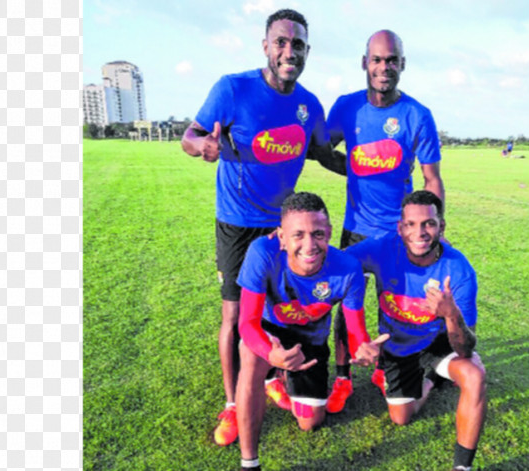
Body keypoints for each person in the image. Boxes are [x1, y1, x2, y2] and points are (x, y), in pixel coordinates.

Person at [180, 9, 332, 446]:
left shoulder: (309, 105)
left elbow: (324, 153)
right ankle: (232, 403)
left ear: (306, 52)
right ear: (265, 46)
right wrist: (201, 145)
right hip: (238, 223)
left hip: (283, 227)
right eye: (281, 42)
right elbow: (188, 136)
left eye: (297, 44)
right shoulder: (232, 88)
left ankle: (270, 378)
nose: (289, 51)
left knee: (277, 308)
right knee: (234, 314)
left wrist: (375, 171)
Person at [320, 30, 446, 413]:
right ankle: (342, 377)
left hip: (401, 233)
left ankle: (387, 366)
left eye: (391, 60)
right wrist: (353, 169)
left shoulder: (417, 115)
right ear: (364, 63)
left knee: (394, 304)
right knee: (345, 304)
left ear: (402, 65)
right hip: (357, 226)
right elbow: (322, 149)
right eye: (376, 59)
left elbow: (432, 179)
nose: (383, 67)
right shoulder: (346, 108)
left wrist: (433, 227)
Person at [235, 192, 385, 471]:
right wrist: (271, 353)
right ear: (281, 236)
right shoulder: (262, 252)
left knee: (310, 422)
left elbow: (355, 329)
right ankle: (249, 462)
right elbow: (247, 323)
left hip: (310, 344)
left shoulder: (349, 269)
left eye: (317, 234)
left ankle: (280, 375)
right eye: (298, 235)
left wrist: (363, 347)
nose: (309, 244)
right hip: (271, 334)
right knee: (250, 357)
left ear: (328, 232)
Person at [345, 190, 486, 471]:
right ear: (400, 227)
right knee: (401, 417)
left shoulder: (459, 269)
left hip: (438, 340)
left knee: (474, 373)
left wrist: (450, 313)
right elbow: (335, 262)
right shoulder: (382, 248)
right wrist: (284, 245)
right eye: (411, 224)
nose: (419, 232)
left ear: (441, 226)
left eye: (429, 224)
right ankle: (432, 379)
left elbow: (465, 348)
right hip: (396, 343)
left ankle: (462, 467)